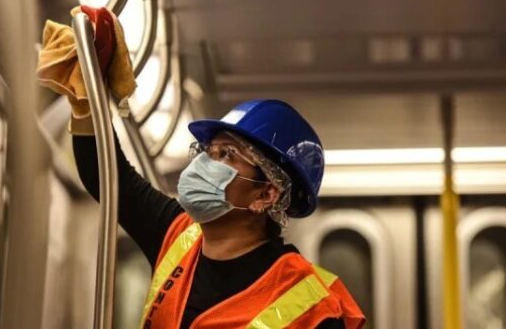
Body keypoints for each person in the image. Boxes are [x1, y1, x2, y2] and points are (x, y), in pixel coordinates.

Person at [71, 99, 366, 328]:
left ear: (266, 194)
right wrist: (85, 100)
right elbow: (109, 178)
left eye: (227, 154)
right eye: (207, 151)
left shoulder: (310, 306)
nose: (203, 165)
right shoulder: (178, 235)